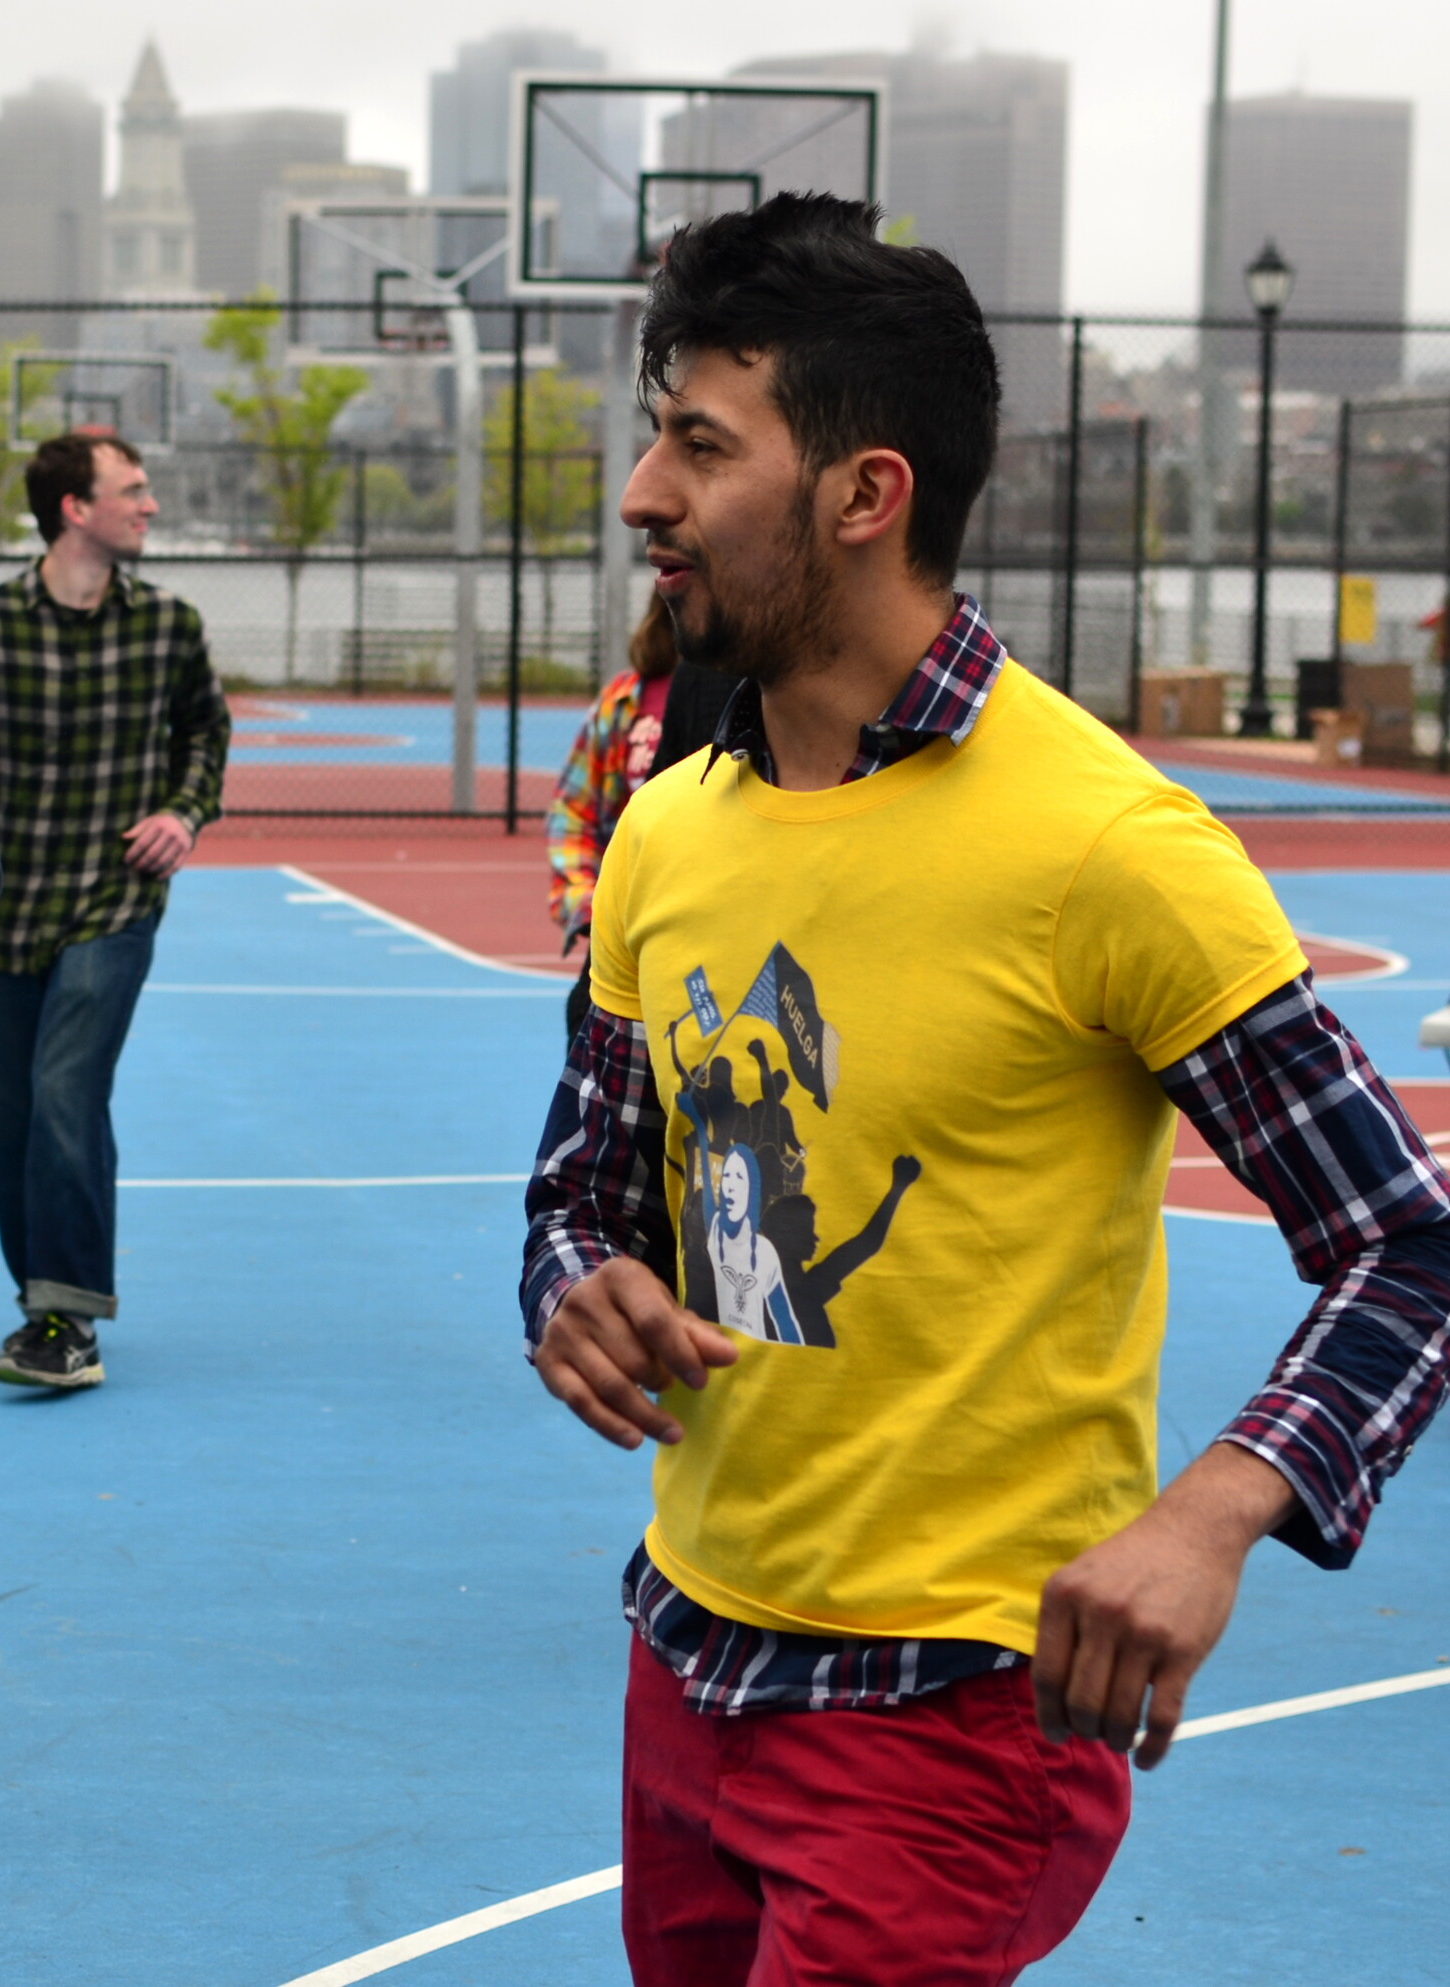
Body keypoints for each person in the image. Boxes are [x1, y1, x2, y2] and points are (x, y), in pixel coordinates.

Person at [520, 196, 1450, 1985]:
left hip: (949, 1711)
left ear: (865, 494)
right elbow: (582, 1192)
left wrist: (1214, 1509)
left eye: (701, 445)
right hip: (687, 1656)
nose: (643, 494)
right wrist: (575, 1283)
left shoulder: (1108, 844)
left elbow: (1410, 1244)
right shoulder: (665, 829)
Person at [0, 430, 230, 1390]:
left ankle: (69, 1315)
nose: (150, 505)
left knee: (65, 1090)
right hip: (2, 914)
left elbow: (205, 732)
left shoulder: (170, 625)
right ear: (74, 510)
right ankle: (41, 1306)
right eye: (132, 490)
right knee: (12, 1117)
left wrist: (183, 811)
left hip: (113, 901)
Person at [547, 594, 683, 1039]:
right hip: (623, 946)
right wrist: (587, 903)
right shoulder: (624, 701)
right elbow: (574, 810)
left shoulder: (756, 695)